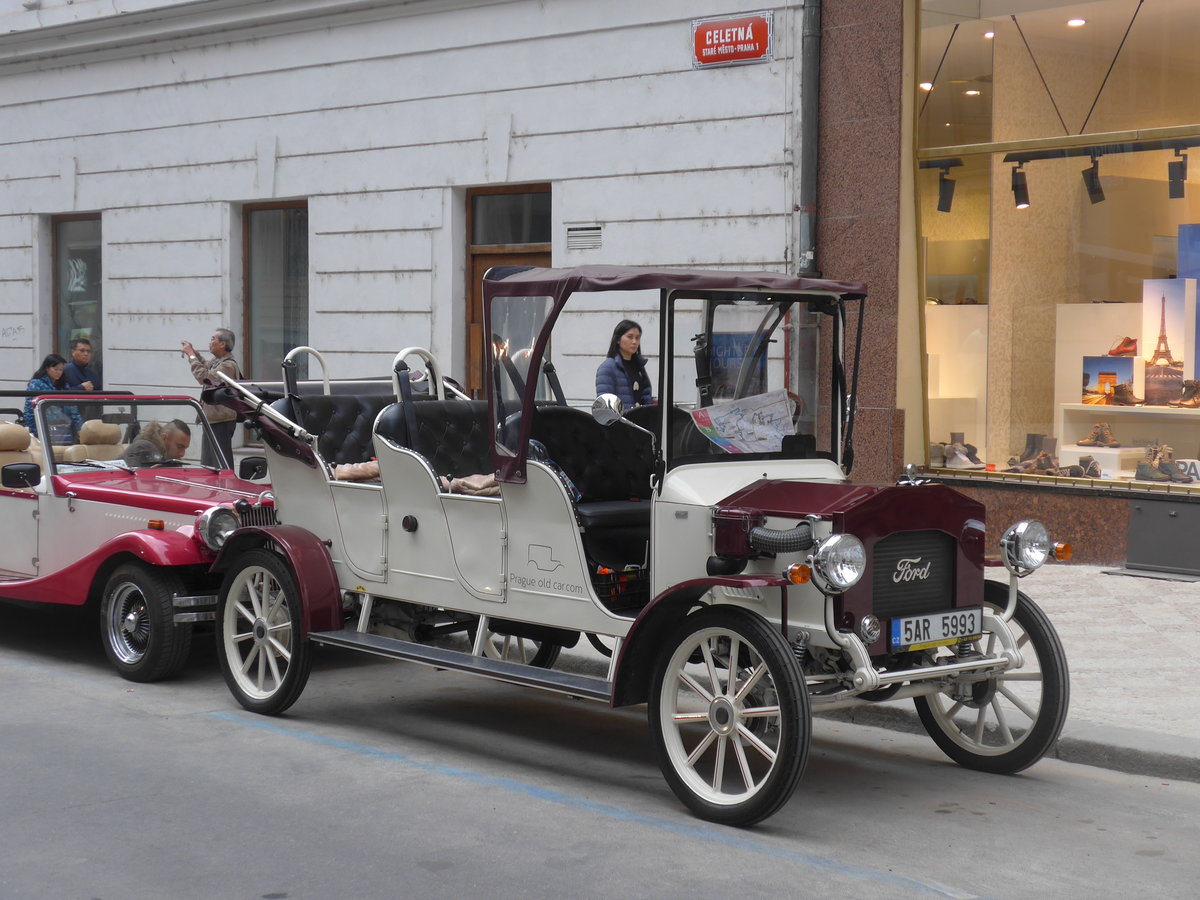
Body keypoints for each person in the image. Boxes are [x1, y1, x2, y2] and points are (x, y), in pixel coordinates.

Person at [181, 328, 241, 469]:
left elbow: (205, 377)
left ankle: (226, 488)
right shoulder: (218, 361)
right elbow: (205, 366)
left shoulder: (228, 365)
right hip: (213, 419)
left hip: (221, 420)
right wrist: (194, 353)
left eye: (213, 339)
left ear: (223, 344)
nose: (210, 342)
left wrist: (191, 356)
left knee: (221, 463)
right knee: (208, 463)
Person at [23, 354, 84, 442]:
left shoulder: (64, 385)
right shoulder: (36, 384)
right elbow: (30, 410)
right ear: (47, 368)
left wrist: (80, 428)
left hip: (64, 428)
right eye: (55, 369)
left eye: (61, 370)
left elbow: (73, 408)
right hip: (43, 428)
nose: (58, 372)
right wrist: (32, 432)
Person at [595, 319, 652, 408]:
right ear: (618, 340)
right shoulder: (607, 367)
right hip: (620, 421)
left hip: (641, 420)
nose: (634, 342)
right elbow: (606, 406)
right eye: (630, 337)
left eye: (637, 338)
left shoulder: (639, 366)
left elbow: (645, 395)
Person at [122, 420, 192, 468]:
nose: (182, 454)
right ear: (164, 438)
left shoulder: (168, 457)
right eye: (179, 446)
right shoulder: (143, 448)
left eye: (185, 448)